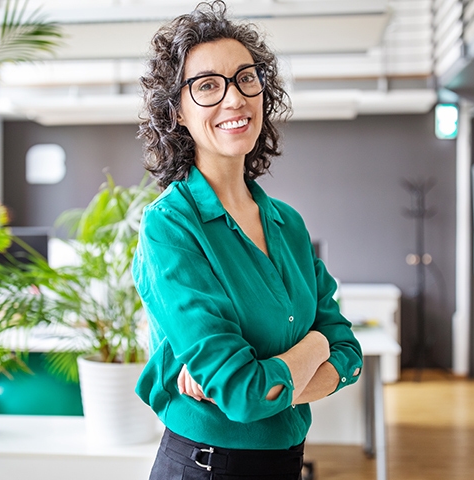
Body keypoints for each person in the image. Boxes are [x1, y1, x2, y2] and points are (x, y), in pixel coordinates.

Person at [132, 2, 363, 478]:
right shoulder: (171, 227)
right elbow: (244, 393)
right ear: (177, 112)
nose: (234, 99)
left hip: (285, 463)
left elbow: (349, 353)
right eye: (208, 86)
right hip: (208, 466)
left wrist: (270, 378)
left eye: (246, 79)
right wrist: (315, 348)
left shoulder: (289, 224)